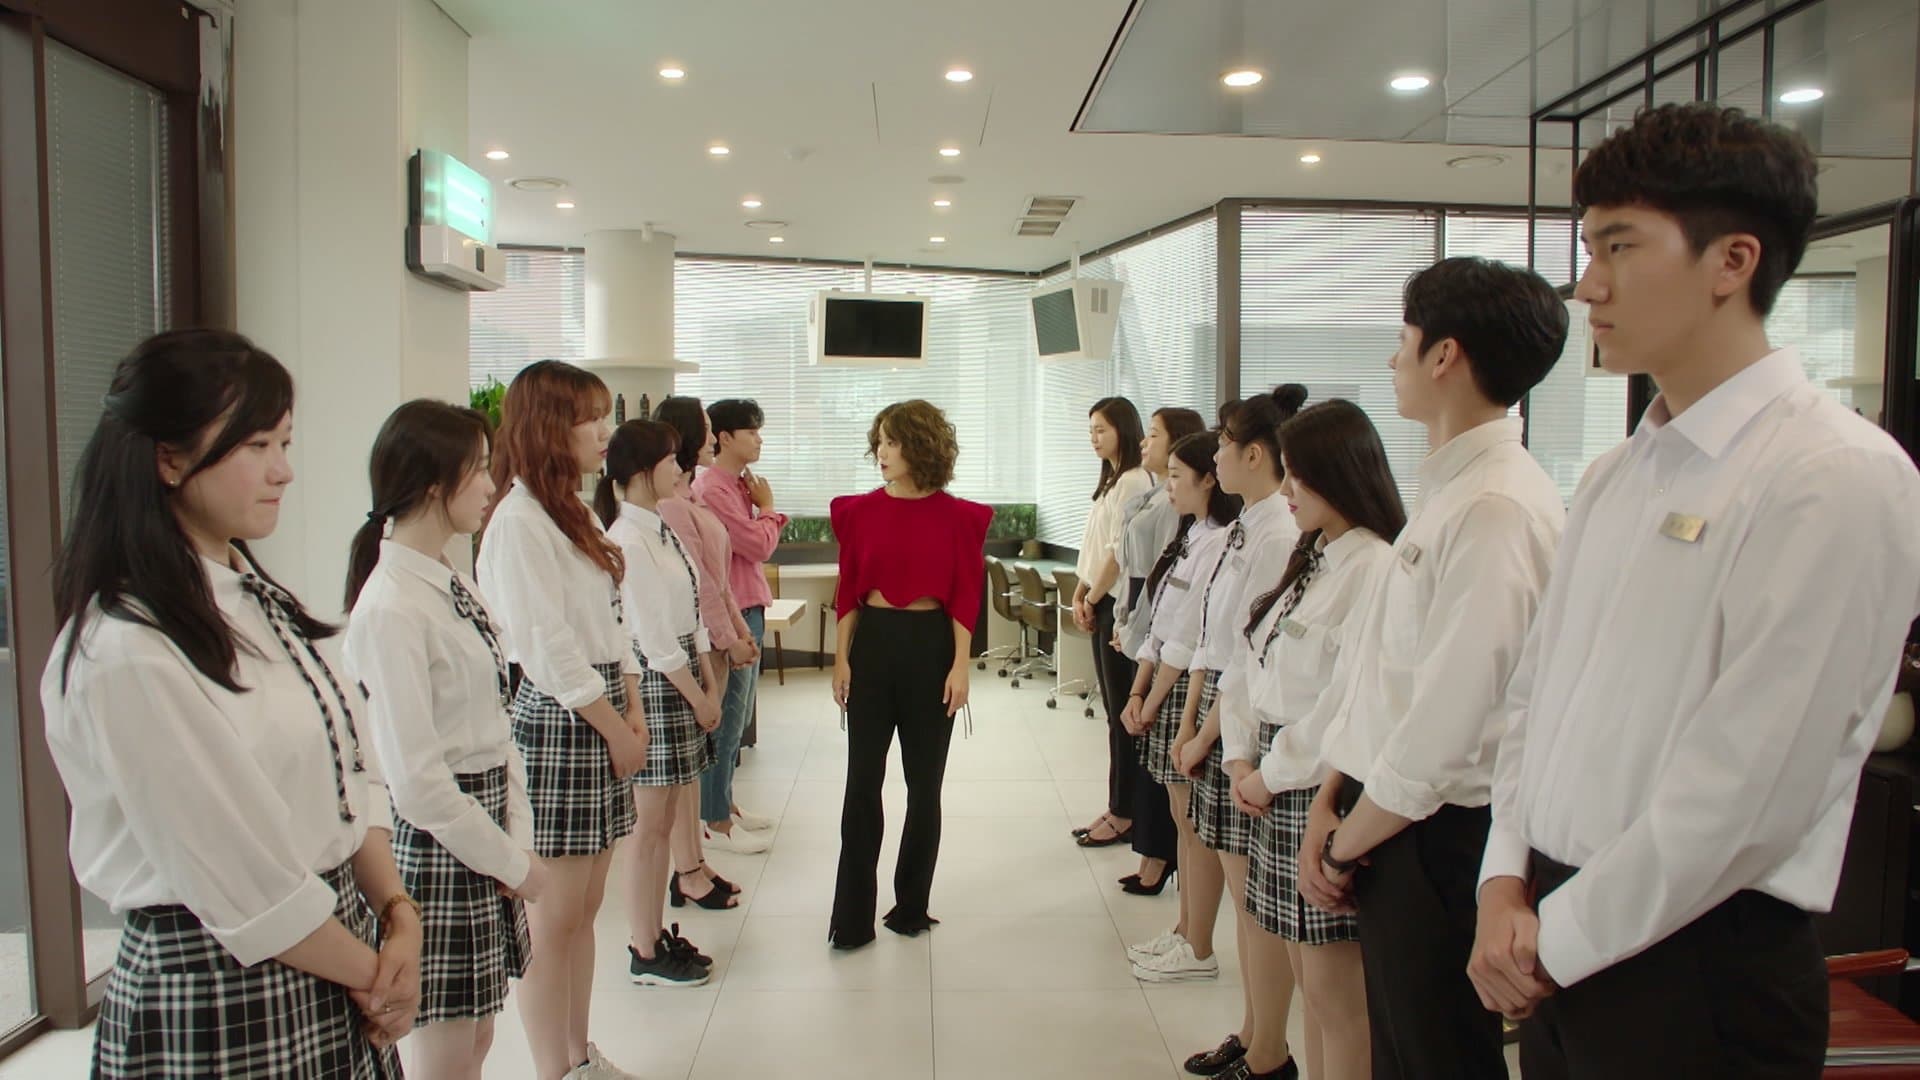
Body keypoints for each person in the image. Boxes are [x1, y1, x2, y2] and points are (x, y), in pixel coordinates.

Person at [1469, 103, 1920, 1079]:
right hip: (1555, 931)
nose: (1589, 285)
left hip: (1701, 964)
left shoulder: (1832, 473)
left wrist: (1553, 938)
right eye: (1590, 248)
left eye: (1620, 246)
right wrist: (1504, 878)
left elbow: (1750, 787)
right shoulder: (1617, 473)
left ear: (1733, 261)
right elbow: (1536, 696)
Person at [43, 330, 413, 1078]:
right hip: (219, 979)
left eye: (285, 442)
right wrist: (379, 974)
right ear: (169, 459)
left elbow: (348, 761)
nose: (284, 470)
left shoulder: (252, 595)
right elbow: (242, 880)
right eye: (256, 446)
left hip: (334, 948)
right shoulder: (128, 647)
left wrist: (398, 912)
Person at [1265, 256, 1569, 1079]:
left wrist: (1343, 844)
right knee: (1399, 1050)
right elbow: (1381, 680)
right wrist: (1330, 797)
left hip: (1434, 836)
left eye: (1402, 338)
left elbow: (1446, 724)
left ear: (1445, 355)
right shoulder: (1450, 491)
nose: (1392, 358)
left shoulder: (1496, 505)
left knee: (1436, 1056)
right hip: (1383, 817)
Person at [344, 400, 548, 1079]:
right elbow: (418, 783)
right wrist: (511, 861)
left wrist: (516, 840)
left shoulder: (452, 581)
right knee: (448, 1047)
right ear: (435, 483)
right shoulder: (391, 606)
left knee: (478, 1032)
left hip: (479, 829)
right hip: (440, 841)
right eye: (480, 470)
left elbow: (497, 718)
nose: (492, 485)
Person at [477, 360, 646, 1080]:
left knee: (586, 908)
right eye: (589, 418)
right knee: (554, 918)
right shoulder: (518, 521)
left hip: (601, 707)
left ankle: (580, 1053)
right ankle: (556, 1068)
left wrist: (633, 704)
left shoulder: (571, 508)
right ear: (549, 426)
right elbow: (547, 648)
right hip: (562, 718)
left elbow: (612, 623)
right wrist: (615, 726)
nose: (605, 431)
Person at [1230, 400, 1407, 1080]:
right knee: (1311, 984)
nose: (1286, 489)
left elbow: (1344, 705)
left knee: (1338, 998)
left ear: (1340, 473)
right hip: (1279, 775)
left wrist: (1267, 774)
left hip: (1317, 786)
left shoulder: (1373, 566)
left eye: (1299, 475)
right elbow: (1260, 661)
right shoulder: (1318, 557)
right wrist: (1244, 757)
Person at [1163, 387, 1308, 1078]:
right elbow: (1215, 637)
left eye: (1223, 443)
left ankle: (1269, 1046)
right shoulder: (1249, 524)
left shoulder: (1277, 530)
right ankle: (1253, 1033)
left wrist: (1205, 734)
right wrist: (1194, 721)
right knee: (1242, 891)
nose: (1214, 454)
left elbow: (1250, 654)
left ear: (1255, 454)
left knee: (1256, 905)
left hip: (1243, 724)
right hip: (1228, 715)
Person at [827, 400, 992, 950]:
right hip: (872, 648)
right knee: (861, 785)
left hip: (931, 650)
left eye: (892, 441)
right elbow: (848, 590)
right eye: (878, 440)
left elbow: (965, 596)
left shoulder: (961, 518)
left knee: (925, 788)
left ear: (920, 446)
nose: (881, 451)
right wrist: (841, 659)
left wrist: (961, 666)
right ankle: (851, 919)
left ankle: (911, 906)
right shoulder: (857, 512)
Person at [597, 419, 724, 988]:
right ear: (643, 471)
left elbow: (691, 614)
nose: (681, 466)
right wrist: (699, 696)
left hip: (683, 678)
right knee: (649, 828)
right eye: (671, 459)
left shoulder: (659, 527)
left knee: (666, 817)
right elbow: (651, 638)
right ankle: (643, 946)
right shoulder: (628, 537)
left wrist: (710, 685)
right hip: (658, 684)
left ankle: (653, 934)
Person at [1121, 430, 1241, 983]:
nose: (1167, 485)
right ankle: (1185, 929)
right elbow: (1161, 622)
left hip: (1183, 689)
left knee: (1193, 825)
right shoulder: (1192, 534)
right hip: (1164, 684)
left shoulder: (1219, 540)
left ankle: (1197, 943)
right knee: (1180, 819)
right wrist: (1137, 691)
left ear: (1208, 479)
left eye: (1175, 475)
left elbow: (1191, 637)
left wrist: (1151, 700)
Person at [654, 395, 756, 909]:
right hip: (696, 645)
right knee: (688, 767)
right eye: (708, 427)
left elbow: (719, 579)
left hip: (714, 638)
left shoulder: (688, 495)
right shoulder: (674, 505)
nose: (714, 436)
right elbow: (700, 585)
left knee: (701, 759)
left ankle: (695, 864)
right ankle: (688, 868)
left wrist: (736, 630)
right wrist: (727, 638)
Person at [1106, 406, 1207, 895]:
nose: (1146, 442)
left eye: (1154, 434)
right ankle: (1151, 851)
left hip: (1169, 650)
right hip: (1146, 628)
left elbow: (1180, 616)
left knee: (1164, 768)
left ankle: (1158, 855)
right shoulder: (1153, 494)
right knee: (1143, 750)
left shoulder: (1191, 523)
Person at [692, 398, 785, 852]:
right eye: (751, 431)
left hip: (748, 606)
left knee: (739, 717)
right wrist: (768, 509)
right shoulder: (712, 488)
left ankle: (724, 804)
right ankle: (713, 820)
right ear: (724, 437)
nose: (759, 439)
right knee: (727, 720)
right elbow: (757, 545)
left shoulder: (738, 485)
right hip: (732, 614)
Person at [1072, 397, 1153, 851]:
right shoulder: (1114, 480)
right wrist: (1082, 591)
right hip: (1100, 598)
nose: (1094, 438)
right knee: (1113, 713)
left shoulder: (1135, 480)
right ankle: (1118, 805)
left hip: (1116, 606)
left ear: (1125, 429)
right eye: (1090, 430)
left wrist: (1091, 596)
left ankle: (1125, 813)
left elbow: (1118, 553)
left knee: (1122, 713)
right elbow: (1096, 547)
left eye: (1101, 429)